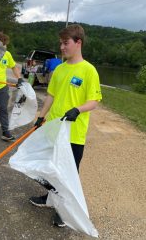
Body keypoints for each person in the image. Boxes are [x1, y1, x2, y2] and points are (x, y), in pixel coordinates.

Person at [29, 24, 102, 227]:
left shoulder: (89, 71)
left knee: (68, 174)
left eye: (66, 43)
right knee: (51, 168)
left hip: (73, 134)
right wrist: (40, 117)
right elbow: (51, 96)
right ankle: (50, 199)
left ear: (78, 42)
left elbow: (94, 101)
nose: (62, 47)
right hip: (54, 129)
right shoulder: (59, 69)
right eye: (61, 43)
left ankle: (65, 210)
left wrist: (78, 109)